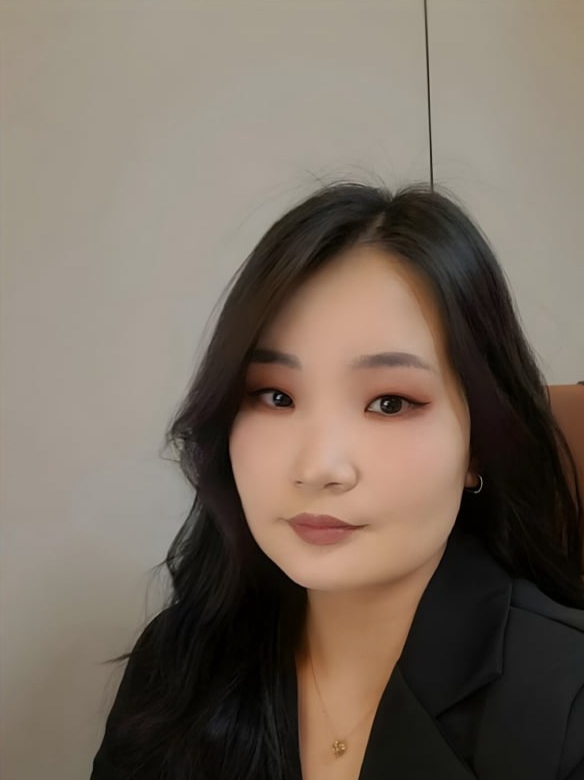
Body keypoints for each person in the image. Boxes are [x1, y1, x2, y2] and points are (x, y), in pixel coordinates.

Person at [90, 182, 584, 780]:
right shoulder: (177, 664)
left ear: (478, 441)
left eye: (390, 403)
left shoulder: (564, 707)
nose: (319, 467)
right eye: (275, 396)